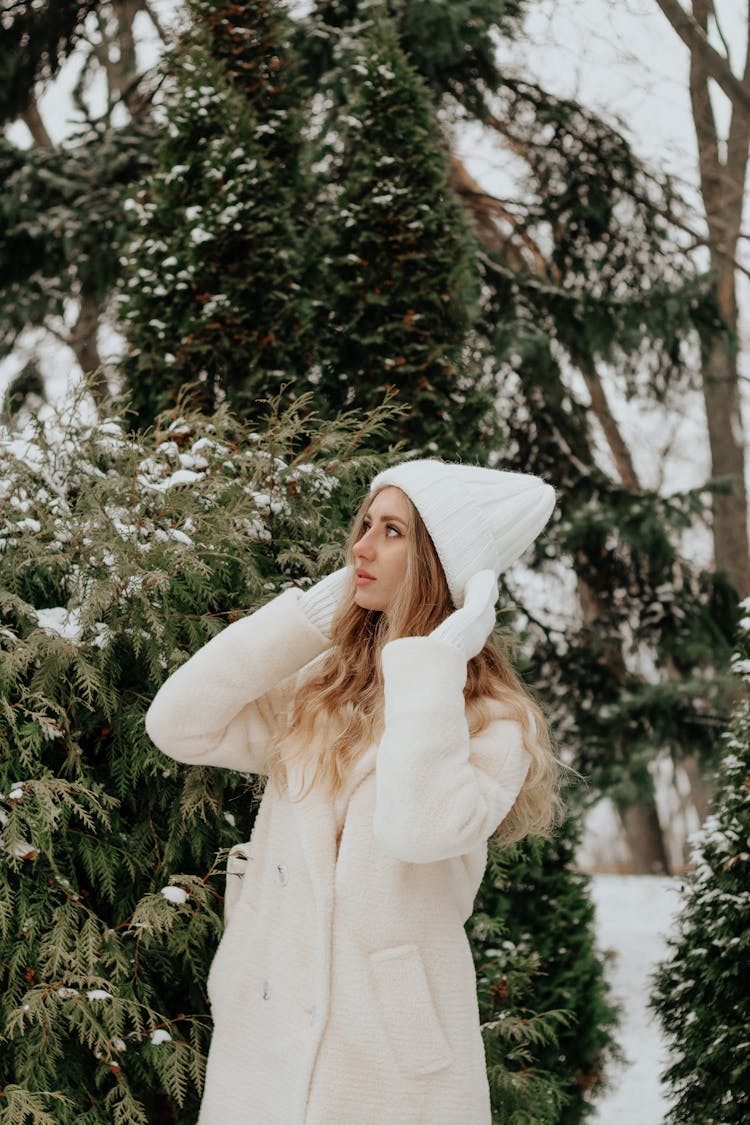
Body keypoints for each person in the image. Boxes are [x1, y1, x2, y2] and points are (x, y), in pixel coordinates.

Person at [145, 458, 563, 1125]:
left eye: (391, 530)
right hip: (266, 1032)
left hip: (386, 1062)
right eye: (364, 525)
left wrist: (432, 663)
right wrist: (311, 615)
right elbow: (177, 722)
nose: (361, 546)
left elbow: (415, 827)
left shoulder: (490, 719)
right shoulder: (320, 689)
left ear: (436, 562)